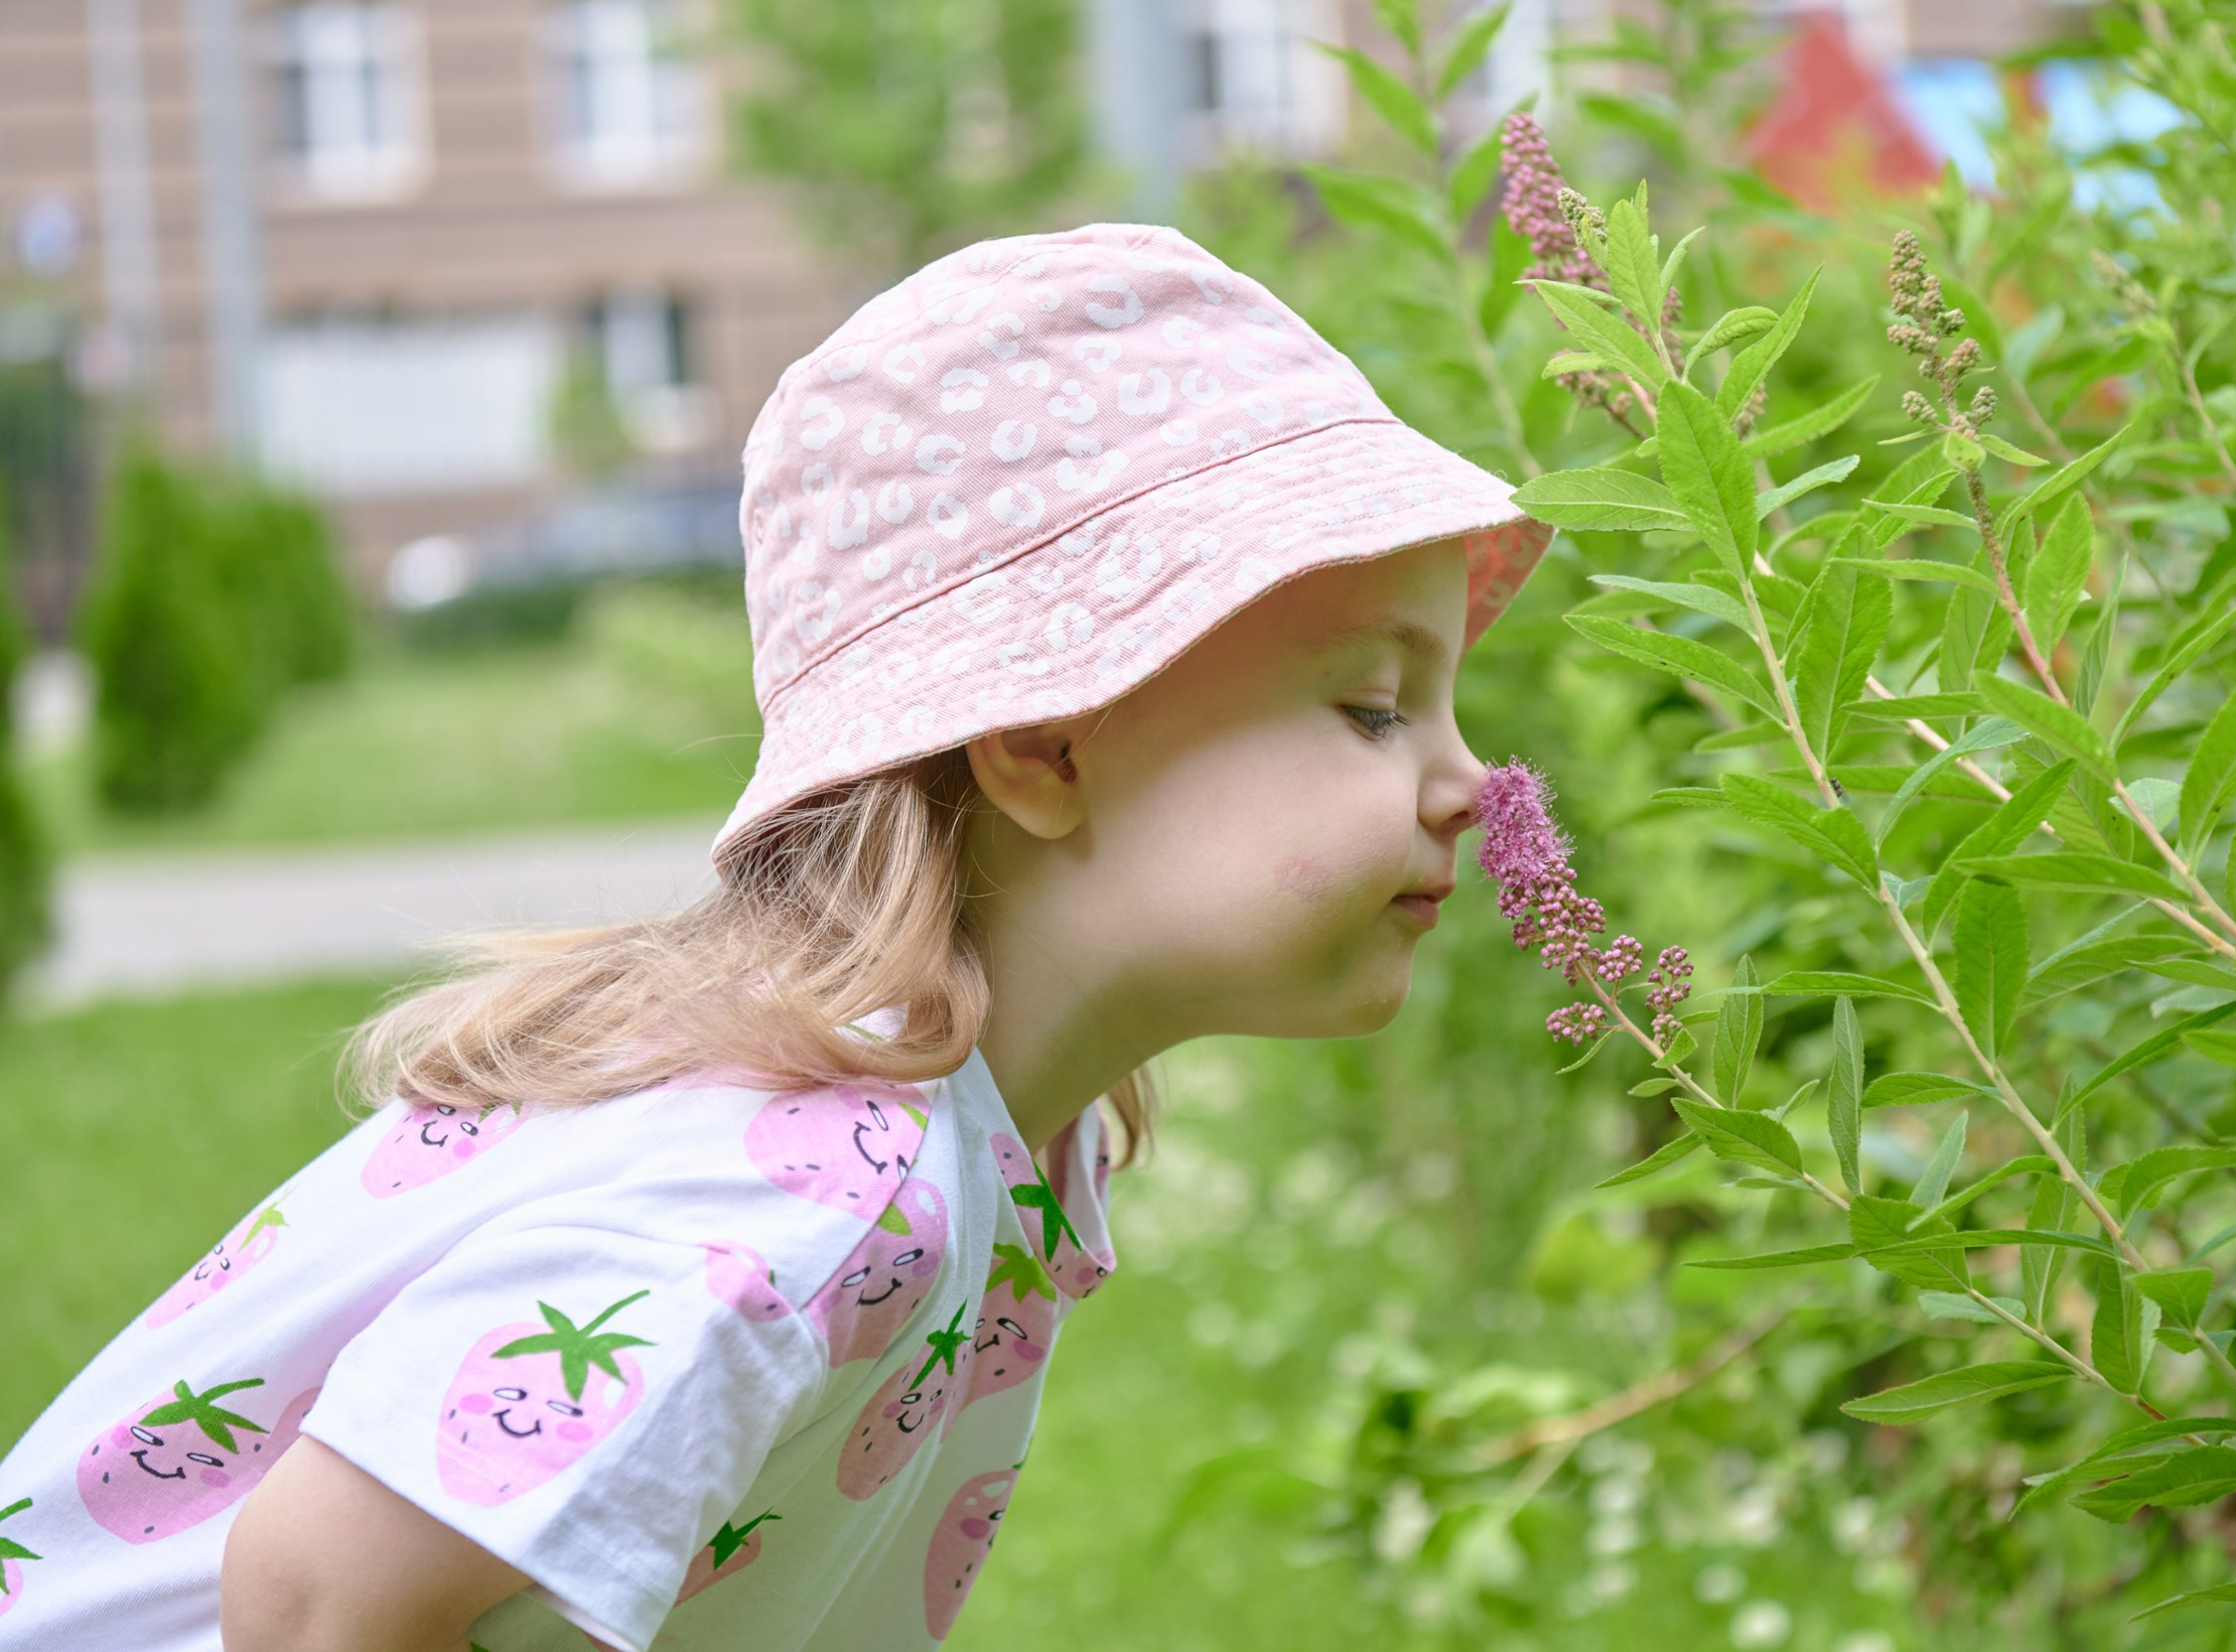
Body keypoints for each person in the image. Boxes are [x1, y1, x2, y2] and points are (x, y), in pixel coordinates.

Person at [0, 222, 1547, 1652]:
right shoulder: (801, 1197)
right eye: (1371, 705)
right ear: (1044, 749)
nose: (1470, 779)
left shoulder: (985, 1149)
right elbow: (317, 1602)